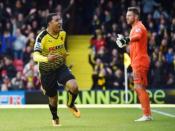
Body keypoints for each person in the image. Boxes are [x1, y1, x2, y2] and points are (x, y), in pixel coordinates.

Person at [33, 13, 80, 127]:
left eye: (60, 19)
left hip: (60, 67)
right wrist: (46, 59)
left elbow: (61, 46)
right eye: (57, 20)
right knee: (53, 98)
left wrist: (64, 54)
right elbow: (35, 56)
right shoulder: (41, 37)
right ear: (49, 23)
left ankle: (70, 104)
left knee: (74, 86)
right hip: (46, 71)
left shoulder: (62, 33)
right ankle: (55, 117)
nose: (60, 22)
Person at [116, 7, 152, 122]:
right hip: (137, 61)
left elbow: (137, 37)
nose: (127, 17)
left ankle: (146, 115)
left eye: (129, 15)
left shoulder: (138, 27)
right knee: (139, 87)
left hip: (140, 61)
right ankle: (147, 114)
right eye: (127, 15)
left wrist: (126, 40)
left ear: (136, 16)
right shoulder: (134, 28)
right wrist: (125, 41)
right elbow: (135, 42)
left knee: (138, 87)